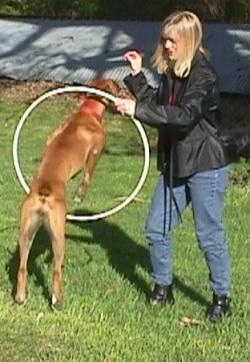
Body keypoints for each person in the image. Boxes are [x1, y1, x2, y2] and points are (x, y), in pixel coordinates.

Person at [115, 10, 231, 322]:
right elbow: (161, 104)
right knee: (156, 229)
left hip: (206, 165)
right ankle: (164, 288)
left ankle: (222, 296)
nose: (167, 46)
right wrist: (138, 76)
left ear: (189, 40)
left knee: (208, 235)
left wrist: (137, 109)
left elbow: (183, 116)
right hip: (176, 165)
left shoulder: (203, 75)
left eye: (173, 40)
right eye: (164, 39)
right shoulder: (173, 72)